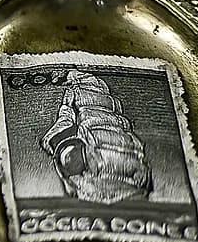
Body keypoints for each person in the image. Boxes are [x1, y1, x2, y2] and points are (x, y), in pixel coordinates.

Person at [39, 70, 152, 204]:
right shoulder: (78, 98)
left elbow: (64, 124)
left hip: (118, 180)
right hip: (124, 183)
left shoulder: (76, 97)